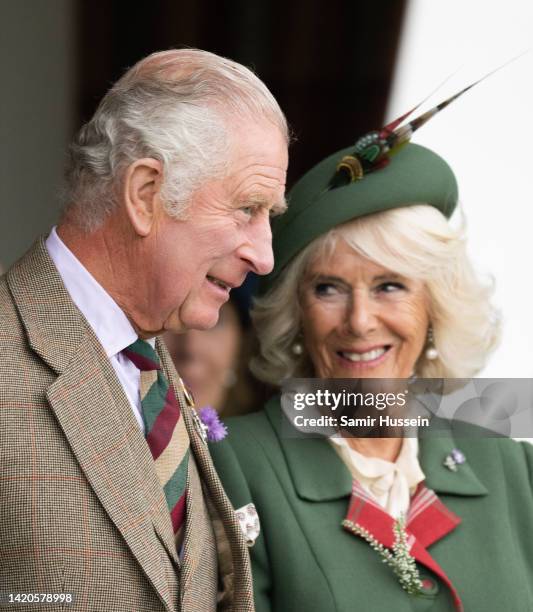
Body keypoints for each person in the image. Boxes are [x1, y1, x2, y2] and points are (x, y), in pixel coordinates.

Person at [210, 100, 533, 609]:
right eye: (329, 289)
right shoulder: (237, 465)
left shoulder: (510, 461)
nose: (359, 321)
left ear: (435, 309)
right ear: (297, 314)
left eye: (389, 286)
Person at [0, 49, 288, 611]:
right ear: (144, 194)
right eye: (247, 208)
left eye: (268, 217)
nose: (264, 256)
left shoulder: (151, 363)